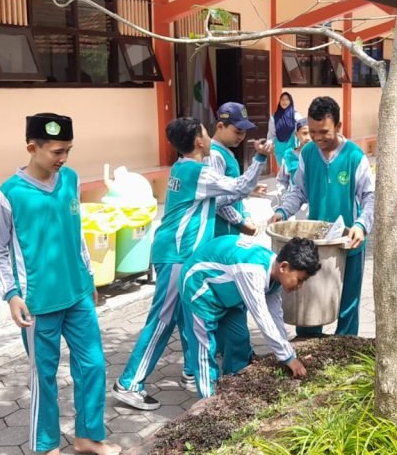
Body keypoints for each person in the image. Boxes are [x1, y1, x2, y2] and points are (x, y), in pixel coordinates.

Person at [0, 113, 120, 455]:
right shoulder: (10, 194)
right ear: (33, 147)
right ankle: (48, 448)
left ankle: (87, 436)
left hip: (77, 295)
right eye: (57, 151)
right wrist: (10, 295)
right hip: (37, 304)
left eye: (68, 150)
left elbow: (76, 232)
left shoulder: (70, 179)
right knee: (44, 375)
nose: (64, 158)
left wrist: (89, 277)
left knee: (93, 365)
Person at [114, 117, 272, 411]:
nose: (210, 138)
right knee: (162, 320)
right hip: (177, 255)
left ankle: (191, 372)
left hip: (176, 253)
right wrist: (260, 157)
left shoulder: (182, 167)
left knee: (188, 316)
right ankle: (129, 383)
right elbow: (237, 187)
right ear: (199, 141)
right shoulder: (197, 171)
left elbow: (225, 194)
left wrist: (248, 191)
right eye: (205, 134)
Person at [273, 96, 375, 337]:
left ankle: (345, 344)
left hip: (348, 241)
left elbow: (370, 196)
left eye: (324, 132)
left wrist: (361, 225)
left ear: (338, 126)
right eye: (313, 131)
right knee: (309, 298)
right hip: (315, 242)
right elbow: (299, 190)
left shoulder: (354, 156)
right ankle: (308, 342)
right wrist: (283, 211)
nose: (317, 138)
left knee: (348, 302)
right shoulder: (308, 153)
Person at [180, 235, 321, 398]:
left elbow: (275, 316)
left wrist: (288, 353)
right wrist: (288, 358)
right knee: (205, 350)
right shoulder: (252, 272)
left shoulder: (275, 272)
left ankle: (233, 389)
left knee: (238, 339)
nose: (300, 286)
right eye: (300, 280)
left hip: (228, 293)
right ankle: (208, 402)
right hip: (199, 288)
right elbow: (262, 317)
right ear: (284, 267)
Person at [209, 102, 260, 237]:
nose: (241, 137)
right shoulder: (214, 155)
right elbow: (217, 199)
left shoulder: (227, 153)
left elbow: (235, 191)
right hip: (221, 232)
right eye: (238, 132)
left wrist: (246, 215)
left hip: (231, 231)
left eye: (244, 132)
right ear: (220, 126)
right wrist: (240, 223)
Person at [275, 117, 311, 197]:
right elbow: (282, 181)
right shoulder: (289, 156)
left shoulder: (322, 154)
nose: (308, 138)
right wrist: (283, 194)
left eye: (312, 133)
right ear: (296, 135)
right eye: (304, 133)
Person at [269, 92, 300, 169]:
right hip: (279, 148)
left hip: (292, 146)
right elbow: (271, 133)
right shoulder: (274, 117)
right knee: (282, 170)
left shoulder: (295, 115)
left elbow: (302, 127)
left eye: (287, 99)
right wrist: (270, 144)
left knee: (291, 169)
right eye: (282, 99)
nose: (284, 102)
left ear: (290, 101)